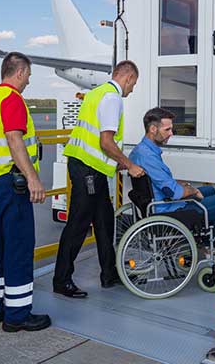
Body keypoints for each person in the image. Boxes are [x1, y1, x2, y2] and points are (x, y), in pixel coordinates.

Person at [53, 60, 145, 297]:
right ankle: (61, 280)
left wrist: (113, 166)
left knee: (104, 220)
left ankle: (109, 273)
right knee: (78, 223)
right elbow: (106, 141)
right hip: (87, 170)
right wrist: (129, 165)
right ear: (127, 78)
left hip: (92, 169)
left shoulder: (96, 93)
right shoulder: (112, 98)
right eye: (133, 83)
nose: (132, 89)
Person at [0, 52, 51, 332]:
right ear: (19, 73)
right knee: (18, 248)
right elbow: (13, 139)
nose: (29, 82)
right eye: (29, 76)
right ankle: (17, 316)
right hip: (12, 185)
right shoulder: (12, 99)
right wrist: (32, 178)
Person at [129, 107, 215, 266]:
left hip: (161, 202)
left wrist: (182, 185)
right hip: (169, 211)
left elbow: (160, 182)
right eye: (167, 129)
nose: (171, 133)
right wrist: (192, 190)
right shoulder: (148, 157)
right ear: (153, 129)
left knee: (209, 191)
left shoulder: (141, 150)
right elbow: (173, 192)